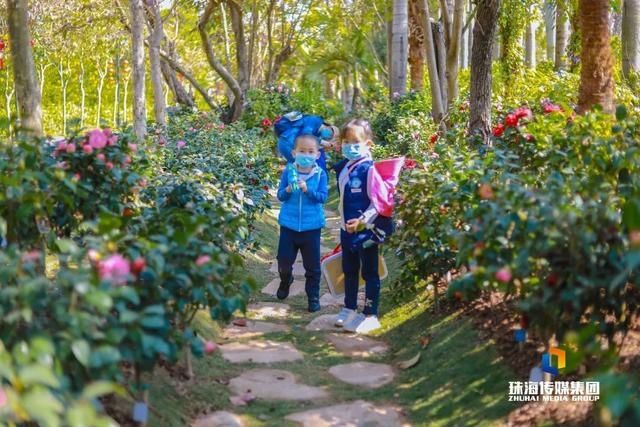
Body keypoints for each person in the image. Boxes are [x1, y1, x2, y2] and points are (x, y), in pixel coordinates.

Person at [332, 119, 394, 334]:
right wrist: (343, 223)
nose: (350, 145)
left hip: (366, 231)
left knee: (369, 271)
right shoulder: (345, 169)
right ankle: (350, 308)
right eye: (346, 141)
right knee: (349, 269)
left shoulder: (369, 170)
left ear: (368, 144)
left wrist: (362, 222)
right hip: (346, 229)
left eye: (355, 141)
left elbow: (379, 203)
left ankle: (371, 313)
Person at [276, 134, 328, 312]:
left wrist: (308, 190)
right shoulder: (288, 172)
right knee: (283, 261)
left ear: (317, 154)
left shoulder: (320, 174)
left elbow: (322, 197)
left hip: (311, 228)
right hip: (289, 226)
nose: (306, 154)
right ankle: (285, 280)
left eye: (311, 151)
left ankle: (313, 296)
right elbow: (280, 195)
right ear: (294, 152)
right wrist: (288, 190)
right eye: (302, 151)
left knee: (312, 266)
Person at [274, 112, 338, 171]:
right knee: (303, 168)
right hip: (288, 141)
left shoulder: (316, 134)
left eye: (330, 137)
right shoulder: (315, 120)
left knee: (297, 169)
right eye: (331, 133)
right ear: (329, 127)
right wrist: (323, 142)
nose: (329, 135)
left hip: (289, 144)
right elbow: (306, 134)